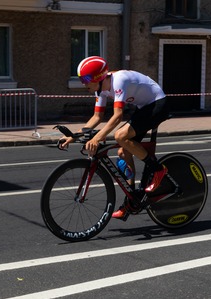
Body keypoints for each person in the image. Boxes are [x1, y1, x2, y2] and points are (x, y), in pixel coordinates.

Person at [59, 56, 171, 221]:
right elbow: (97, 117)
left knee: (120, 136)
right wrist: (73, 136)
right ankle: (132, 200)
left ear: (98, 77)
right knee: (123, 153)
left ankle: (158, 169)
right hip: (144, 108)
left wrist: (97, 138)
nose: (83, 83)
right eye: (81, 79)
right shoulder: (100, 89)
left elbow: (118, 116)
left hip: (157, 104)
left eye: (86, 79)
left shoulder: (119, 81)